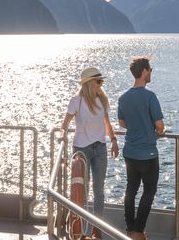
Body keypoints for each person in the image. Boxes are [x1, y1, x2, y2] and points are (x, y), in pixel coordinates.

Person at [61, 67, 119, 237]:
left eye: (101, 81)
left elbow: (107, 123)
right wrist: (63, 136)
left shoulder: (102, 100)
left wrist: (114, 141)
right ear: (90, 83)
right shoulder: (76, 101)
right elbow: (65, 124)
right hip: (82, 149)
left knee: (99, 190)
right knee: (82, 191)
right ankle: (82, 230)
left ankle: (96, 229)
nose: (101, 84)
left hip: (100, 148)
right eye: (99, 81)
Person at [117, 57, 165, 240]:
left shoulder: (123, 97)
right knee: (149, 191)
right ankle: (138, 231)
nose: (151, 72)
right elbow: (159, 125)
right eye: (150, 69)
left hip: (130, 152)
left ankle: (129, 228)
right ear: (144, 71)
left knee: (131, 190)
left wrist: (136, 125)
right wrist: (157, 130)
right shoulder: (149, 96)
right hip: (148, 153)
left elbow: (122, 123)